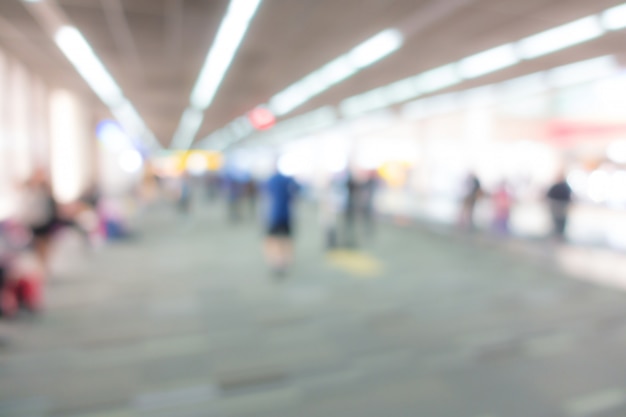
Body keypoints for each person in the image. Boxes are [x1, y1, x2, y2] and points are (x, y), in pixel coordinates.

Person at [16, 171, 58, 276]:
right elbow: (25, 206)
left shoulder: (45, 189)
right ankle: (41, 265)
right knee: (38, 244)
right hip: (35, 221)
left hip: (46, 220)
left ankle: (45, 264)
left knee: (45, 243)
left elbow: (51, 205)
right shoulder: (29, 190)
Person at [263, 166, 299, 277]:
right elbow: (297, 191)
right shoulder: (288, 180)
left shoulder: (270, 180)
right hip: (286, 215)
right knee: (286, 240)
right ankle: (285, 262)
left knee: (272, 241)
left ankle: (276, 262)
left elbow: (265, 196)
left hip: (273, 215)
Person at [546, 174, 572, 241]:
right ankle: (556, 235)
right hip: (556, 205)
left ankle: (560, 235)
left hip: (562, 205)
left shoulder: (565, 187)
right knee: (556, 221)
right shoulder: (557, 186)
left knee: (561, 221)